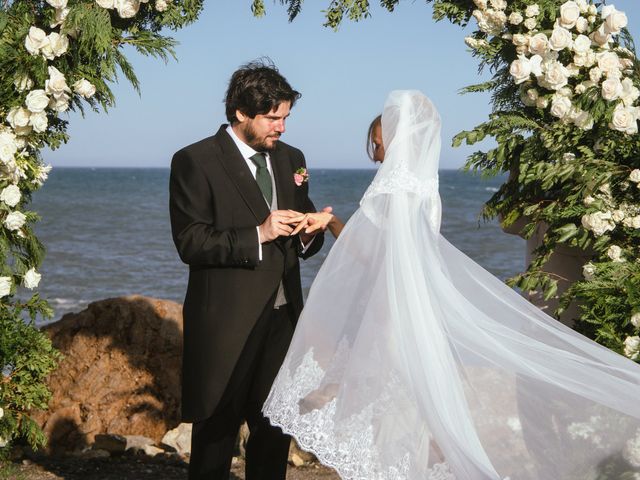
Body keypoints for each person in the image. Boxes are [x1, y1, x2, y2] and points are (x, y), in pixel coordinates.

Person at [264, 90, 640, 480]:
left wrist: (331, 222)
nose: (375, 147)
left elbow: (372, 255)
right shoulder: (425, 189)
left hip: (391, 322)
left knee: (390, 429)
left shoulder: (392, 190)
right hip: (415, 320)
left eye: (379, 137)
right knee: (410, 426)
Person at [169, 60, 324, 480]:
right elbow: (191, 241)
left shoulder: (292, 158)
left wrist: (310, 229)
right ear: (241, 113)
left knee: (274, 430)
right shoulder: (194, 161)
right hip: (227, 320)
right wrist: (258, 232)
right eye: (273, 118)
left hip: (283, 318)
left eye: (286, 117)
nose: (282, 128)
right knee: (217, 433)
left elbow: (301, 228)